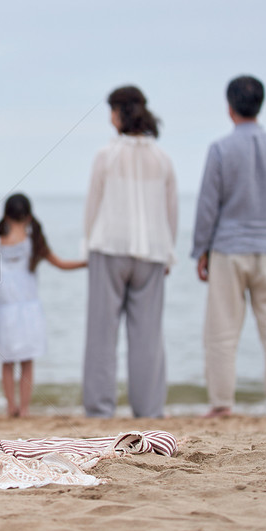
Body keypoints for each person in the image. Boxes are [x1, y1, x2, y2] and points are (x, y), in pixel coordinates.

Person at [192, 75, 266, 419]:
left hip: (228, 249)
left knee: (222, 332)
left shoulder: (220, 149)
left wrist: (201, 250)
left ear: (229, 108)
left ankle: (223, 403)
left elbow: (208, 206)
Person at [82, 85, 178, 419]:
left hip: (108, 247)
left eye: (111, 110)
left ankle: (99, 409)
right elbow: (171, 211)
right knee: (148, 336)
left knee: (101, 334)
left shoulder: (106, 155)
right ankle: (149, 411)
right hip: (152, 251)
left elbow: (93, 206)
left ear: (119, 113)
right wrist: (169, 252)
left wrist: (87, 245)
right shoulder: (162, 158)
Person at [0, 193, 86, 418]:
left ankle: (10, 407)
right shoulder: (34, 242)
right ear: (28, 216)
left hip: (3, 311)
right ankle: (24, 409)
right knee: (26, 363)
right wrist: (86, 263)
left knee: (6, 362)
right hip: (29, 312)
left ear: (5, 216)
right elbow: (61, 264)